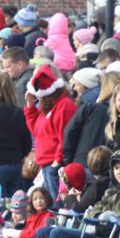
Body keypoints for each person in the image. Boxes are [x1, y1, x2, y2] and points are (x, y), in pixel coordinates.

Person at [24, 65, 77, 200]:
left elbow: (64, 136)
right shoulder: (49, 106)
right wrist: (30, 107)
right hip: (47, 164)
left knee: (55, 205)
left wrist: (57, 161)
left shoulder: (64, 105)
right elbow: (37, 131)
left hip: (54, 165)